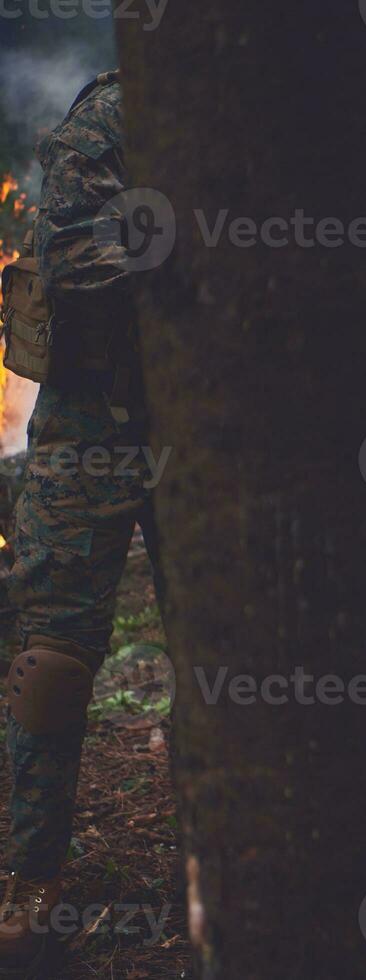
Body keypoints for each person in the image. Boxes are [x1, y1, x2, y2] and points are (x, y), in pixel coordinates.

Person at [0, 70, 165, 974]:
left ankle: (222, 855)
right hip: (92, 423)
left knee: (234, 658)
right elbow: (72, 253)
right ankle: (35, 876)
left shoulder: (278, 114)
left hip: (215, 431)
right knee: (52, 660)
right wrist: (205, 256)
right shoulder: (115, 112)